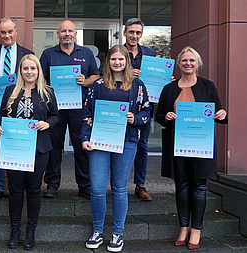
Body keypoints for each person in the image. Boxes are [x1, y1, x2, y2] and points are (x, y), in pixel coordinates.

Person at [156, 46, 227, 250]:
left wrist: (222, 113)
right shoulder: (169, 89)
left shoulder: (207, 86)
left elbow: (219, 111)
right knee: (182, 187)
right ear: (179, 63)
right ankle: (183, 227)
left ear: (198, 63)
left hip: (201, 145)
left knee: (199, 187)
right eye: (184, 60)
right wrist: (166, 117)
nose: (188, 64)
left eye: (192, 60)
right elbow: (159, 115)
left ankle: (196, 228)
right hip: (178, 146)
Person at [81, 45, 150, 252]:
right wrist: (85, 137)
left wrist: (134, 118)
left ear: (127, 61)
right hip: (99, 142)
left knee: (120, 189)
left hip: (127, 141)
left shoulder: (137, 85)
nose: (117, 63)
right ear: (107, 62)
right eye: (113, 59)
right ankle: (97, 231)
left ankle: (118, 233)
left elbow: (147, 111)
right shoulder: (99, 85)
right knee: (98, 189)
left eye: (121, 59)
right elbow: (87, 112)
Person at [0, 54, 59, 250]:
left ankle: (31, 231)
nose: (29, 72)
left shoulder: (47, 92)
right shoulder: (10, 90)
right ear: (20, 70)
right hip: (14, 148)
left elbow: (56, 116)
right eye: (25, 68)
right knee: (14, 191)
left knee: (33, 190)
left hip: (39, 149)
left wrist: (47, 123)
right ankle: (15, 230)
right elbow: (2, 114)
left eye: (33, 68)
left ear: (38, 70)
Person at [40, 20, 100, 199]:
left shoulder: (86, 53)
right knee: (54, 147)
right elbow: (40, 80)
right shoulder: (48, 54)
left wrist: (86, 81)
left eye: (70, 31)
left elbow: (96, 76)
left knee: (81, 146)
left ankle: (84, 186)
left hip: (79, 107)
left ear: (75, 34)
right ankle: (52, 184)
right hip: (55, 108)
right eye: (63, 31)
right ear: (58, 34)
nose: (67, 34)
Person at [0, 17, 33, 202]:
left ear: (16, 31)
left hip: (21, 111)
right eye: (3, 32)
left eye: (10, 31)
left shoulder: (28, 55)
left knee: (19, 148)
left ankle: (18, 187)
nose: (7, 35)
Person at [123, 18, 156, 201]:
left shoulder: (150, 53)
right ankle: (117, 184)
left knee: (142, 146)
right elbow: (107, 74)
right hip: (122, 107)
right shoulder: (118, 52)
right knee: (119, 145)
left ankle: (140, 185)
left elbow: (156, 78)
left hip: (143, 107)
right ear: (125, 33)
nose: (134, 36)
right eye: (131, 32)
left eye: (138, 33)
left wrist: (166, 81)